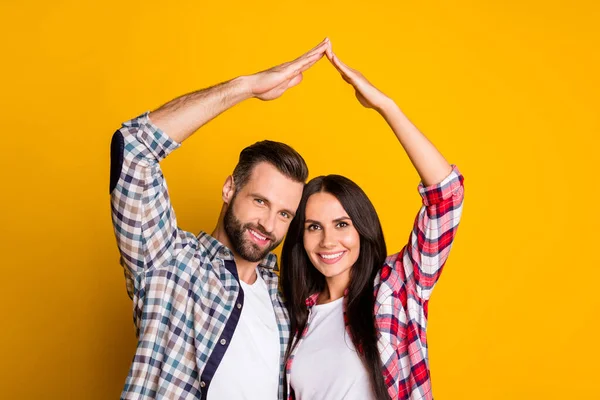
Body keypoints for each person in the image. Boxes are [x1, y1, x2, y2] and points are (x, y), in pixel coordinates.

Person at [109, 38, 331, 400]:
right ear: (230, 188)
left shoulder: (285, 301)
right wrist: (244, 87)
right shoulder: (169, 262)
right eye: (260, 201)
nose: (269, 225)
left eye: (285, 214)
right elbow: (133, 148)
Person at [280, 46, 465, 400]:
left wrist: (386, 106)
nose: (328, 241)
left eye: (342, 224)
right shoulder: (292, 313)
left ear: (362, 229)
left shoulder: (395, 289)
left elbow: (447, 195)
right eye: (314, 226)